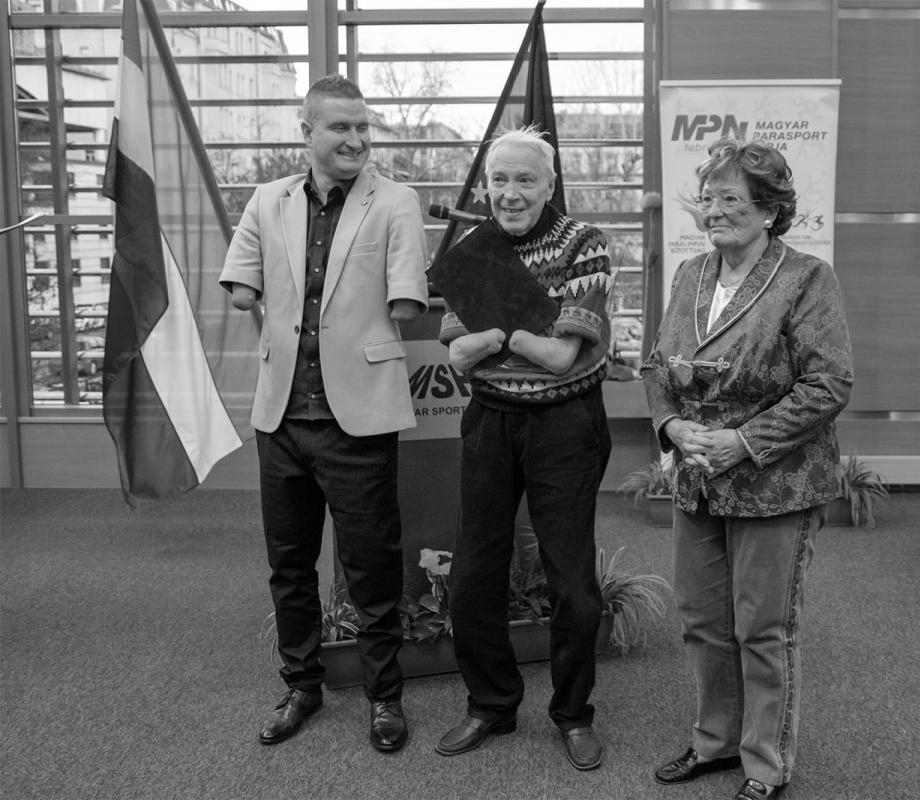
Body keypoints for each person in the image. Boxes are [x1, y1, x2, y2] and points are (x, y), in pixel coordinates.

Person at [219, 74, 429, 752]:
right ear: (305, 131)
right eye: (340, 127)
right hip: (281, 416)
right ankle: (302, 687)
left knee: (372, 567)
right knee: (289, 566)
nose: (357, 139)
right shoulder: (264, 201)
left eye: (363, 127)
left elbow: (406, 301)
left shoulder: (396, 201)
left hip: (358, 416)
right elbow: (241, 288)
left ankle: (384, 698)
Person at [642, 138, 852, 800]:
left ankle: (766, 762)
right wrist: (672, 427)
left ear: (769, 210)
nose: (714, 210)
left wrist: (745, 441)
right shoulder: (688, 276)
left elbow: (828, 384)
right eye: (707, 197)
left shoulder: (806, 278)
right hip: (697, 480)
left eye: (730, 198)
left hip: (773, 482)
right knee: (702, 621)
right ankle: (715, 741)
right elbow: (657, 365)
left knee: (763, 629)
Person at [434, 126, 612, 770]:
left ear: (550, 185)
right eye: (499, 180)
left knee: (571, 582)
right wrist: (524, 332)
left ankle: (572, 713)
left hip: (566, 426)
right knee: (475, 572)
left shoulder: (583, 243)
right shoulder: (471, 249)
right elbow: (457, 353)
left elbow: (565, 357)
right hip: (490, 420)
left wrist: (499, 330)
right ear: (485, 185)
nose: (510, 193)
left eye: (525, 180)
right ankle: (491, 704)